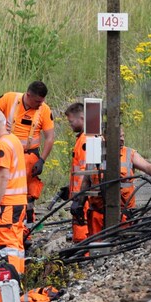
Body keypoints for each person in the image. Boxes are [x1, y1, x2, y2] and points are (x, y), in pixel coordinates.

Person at [0, 81, 55, 230]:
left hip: (31, 156)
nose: (40, 104)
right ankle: (9, 221)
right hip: (10, 153)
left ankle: (28, 228)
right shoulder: (10, 99)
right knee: (8, 190)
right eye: (38, 101)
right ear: (28, 95)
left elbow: (50, 137)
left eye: (42, 101)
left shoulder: (44, 110)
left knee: (29, 194)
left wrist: (42, 160)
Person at [82, 127, 151, 236]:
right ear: (105, 138)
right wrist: (79, 202)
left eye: (123, 136)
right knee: (97, 248)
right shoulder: (95, 152)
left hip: (123, 214)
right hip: (97, 215)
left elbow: (147, 167)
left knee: (122, 243)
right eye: (119, 136)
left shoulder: (129, 153)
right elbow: (86, 181)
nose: (122, 139)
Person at [0, 109, 28, 273]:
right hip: (19, 201)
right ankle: (19, 278)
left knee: (7, 246)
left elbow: (3, 175)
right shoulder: (14, 140)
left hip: (7, 204)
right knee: (16, 245)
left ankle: (11, 282)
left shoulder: (2, 144)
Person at [64, 102, 89, 242]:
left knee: (82, 234)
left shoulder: (86, 140)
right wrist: (69, 189)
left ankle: (84, 259)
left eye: (71, 121)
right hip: (81, 196)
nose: (70, 125)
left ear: (82, 118)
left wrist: (80, 198)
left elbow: (87, 172)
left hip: (84, 199)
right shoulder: (81, 139)